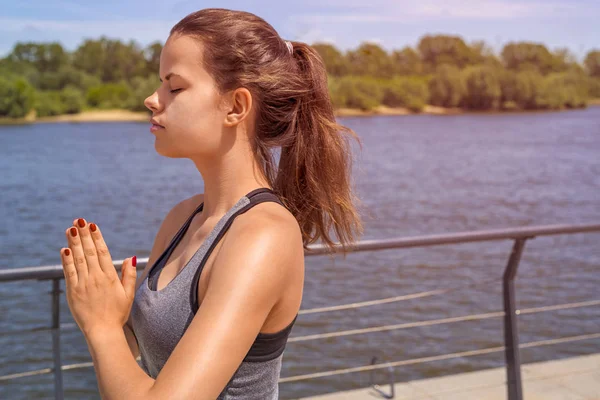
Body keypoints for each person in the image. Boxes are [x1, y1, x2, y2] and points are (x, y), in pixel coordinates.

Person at [60, 7, 362, 399]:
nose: (152, 99)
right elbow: (139, 360)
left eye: (175, 87)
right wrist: (111, 319)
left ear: (236, 107)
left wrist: (101, 329)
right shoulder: (182, 217)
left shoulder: (263, 235)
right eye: (159, 84)